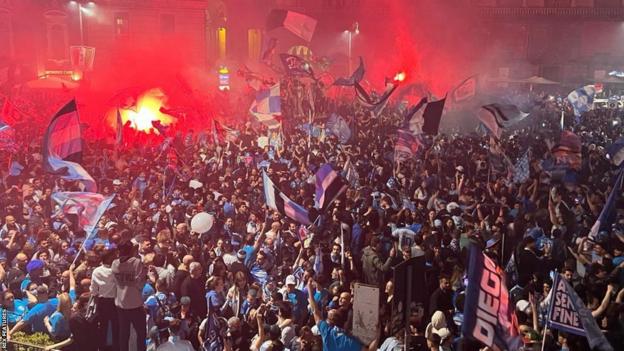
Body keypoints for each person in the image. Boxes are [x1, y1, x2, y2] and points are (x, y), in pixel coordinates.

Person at [112, 240, 148, 351]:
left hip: (121, 303)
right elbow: (140, 284)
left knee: (124, 332)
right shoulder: (136, 262)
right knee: (141, 333)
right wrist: (145, 274)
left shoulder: (115, 263)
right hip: (135, 304)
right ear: (131, 250)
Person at [90, 249, 119, 351]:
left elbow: (93, 290)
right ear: (109, 258)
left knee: (103, 326)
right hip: (115, 302)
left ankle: (102, 347)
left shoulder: (96, 271)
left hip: (102, 302)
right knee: (116, 326)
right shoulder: (116, 271)